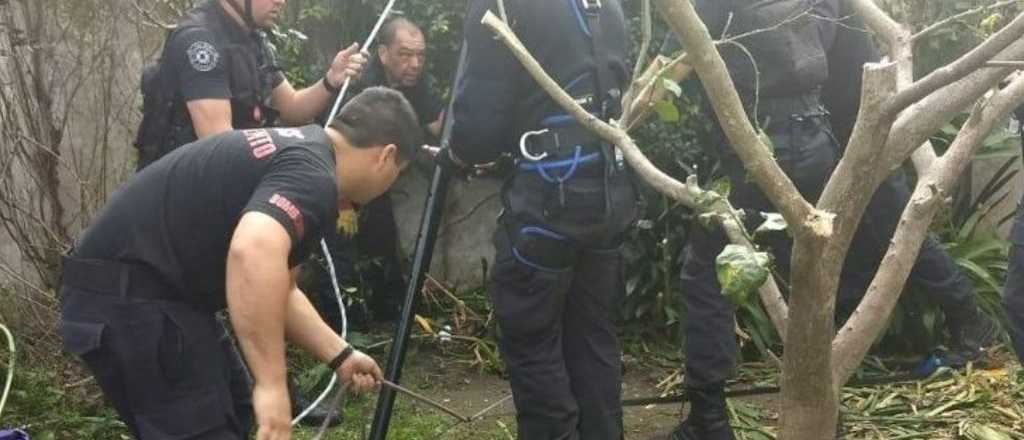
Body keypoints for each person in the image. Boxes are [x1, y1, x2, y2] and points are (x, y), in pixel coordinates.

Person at [666, 1, 997, 439]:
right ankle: (962, 325)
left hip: (778, 145)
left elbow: (672, 67)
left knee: (710, 268)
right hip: (832, 135)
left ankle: (709, 417)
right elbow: (855, 61)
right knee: (858, 243)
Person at [60, 87, 422, 440]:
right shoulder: (313, 174)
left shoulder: (303, 151)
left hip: (161, 297)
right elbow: (253, 251)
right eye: (398, 172)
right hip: (132, 301)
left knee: (235, 407)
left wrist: (340, 355)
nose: (390, 183)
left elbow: (279, 284)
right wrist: (272, 385)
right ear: (385, 156)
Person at [432, 1, 638, 438]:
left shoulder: (504, 5)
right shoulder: (607, 5)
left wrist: (459, 154)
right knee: (593, 338)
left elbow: (480, 128)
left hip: (550, 202)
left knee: (534, 342)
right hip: (610, 191)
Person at [133, 0, 368, 169]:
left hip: (226, 184)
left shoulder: (251, 40)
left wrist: (331, 80)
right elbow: (219, 144)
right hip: (178, 198)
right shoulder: (199, 41)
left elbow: (292, 107)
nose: (282, 2)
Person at [317, 17, 445, 325]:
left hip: (377, 180)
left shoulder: (418, 83)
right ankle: (342, 323)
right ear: (383, 53)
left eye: (421, 55)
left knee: (383, 237)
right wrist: (343, 201)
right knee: (340, 246)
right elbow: (327, 142)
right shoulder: (356, 82)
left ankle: (388, 312)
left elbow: (438, 126)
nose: (414, 63)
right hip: (334, 180)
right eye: (405, 54)